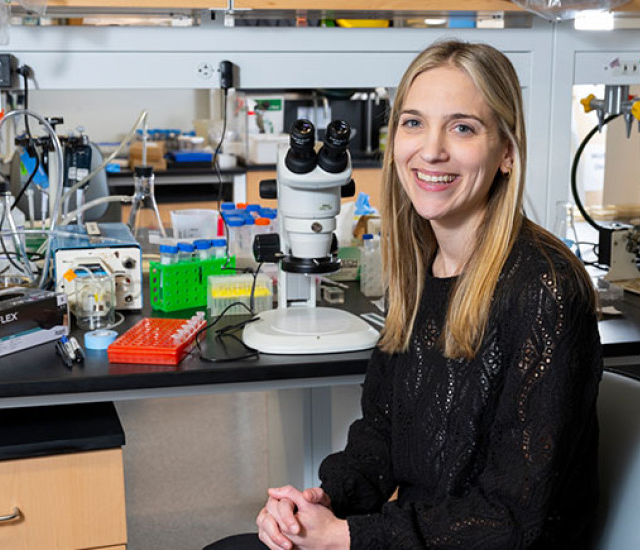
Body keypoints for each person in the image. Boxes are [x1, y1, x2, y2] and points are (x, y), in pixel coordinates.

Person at [206, 39, 602, 550]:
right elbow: (382, 433)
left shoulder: (545, 288)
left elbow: (512, 520)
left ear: (506, 151)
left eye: (462, 127)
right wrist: (321, 504)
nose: (431, 149)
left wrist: (349, 538)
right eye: (414, 123)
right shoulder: (422, 267)